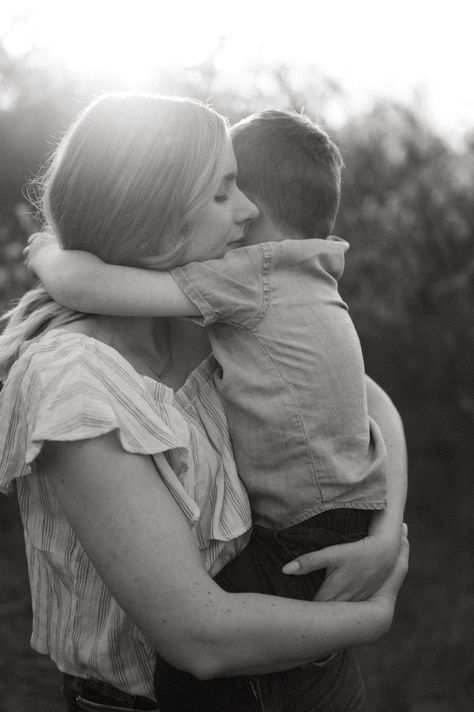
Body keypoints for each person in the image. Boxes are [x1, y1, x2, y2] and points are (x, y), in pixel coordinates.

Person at [0, 93, 408, 712]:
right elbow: (199, 638)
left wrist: (384, 533)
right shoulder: (75, 382)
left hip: (310, 665)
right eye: (223, 192)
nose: (248, 211)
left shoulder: (220, 319)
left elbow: (373, 404)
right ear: (154, 218)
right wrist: (374, 615)